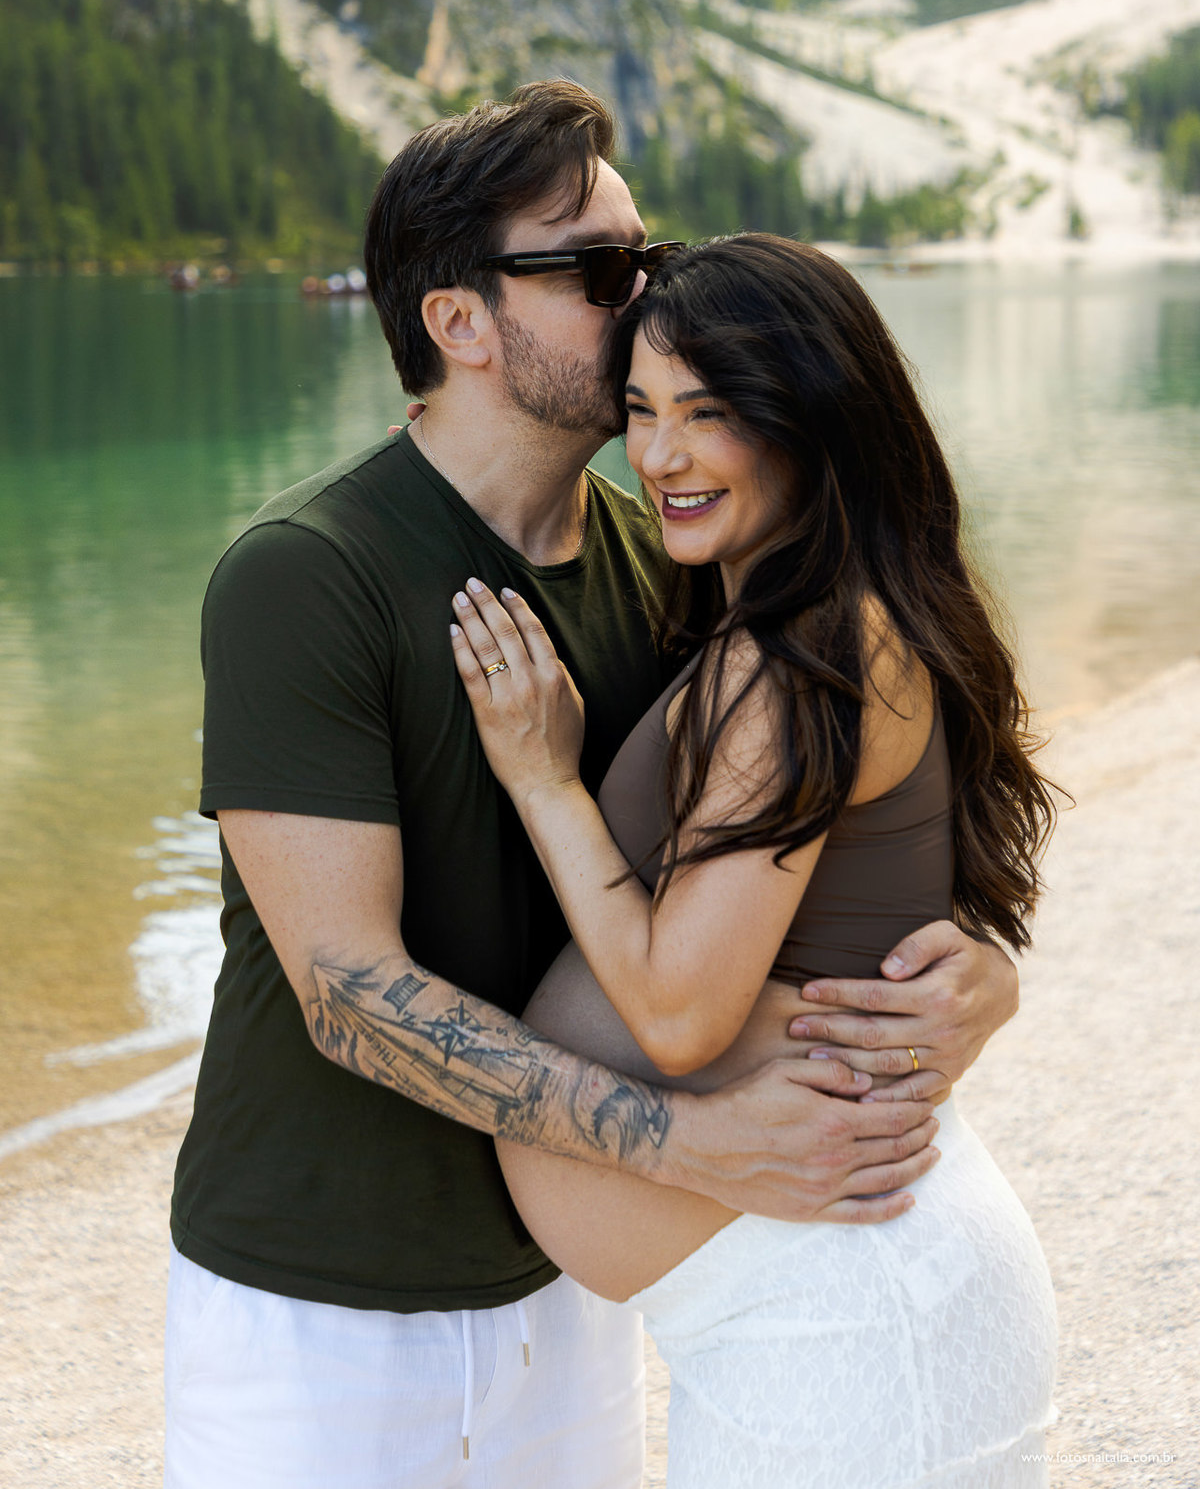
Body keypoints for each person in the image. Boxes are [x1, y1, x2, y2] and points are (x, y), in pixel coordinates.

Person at [166, 84, 1023, 1489]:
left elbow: (790, 837)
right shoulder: (306, 572)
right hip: (321, 1301)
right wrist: (690, 1139)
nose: (650, 300)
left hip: (577, 1301)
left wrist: (970, 969)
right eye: (603, 270)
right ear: (460, 320)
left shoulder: (674, 561)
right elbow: (345, 989)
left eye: (654, 258)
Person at [448, 233, 1059, 1487]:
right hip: (839, 1297)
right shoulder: (818, 620)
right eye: (639, 411)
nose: (660, 455)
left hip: (847, 1315)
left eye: (709, 413)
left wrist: (541, 778)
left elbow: (677, 1014)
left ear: (810, 418)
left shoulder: (798, 656)